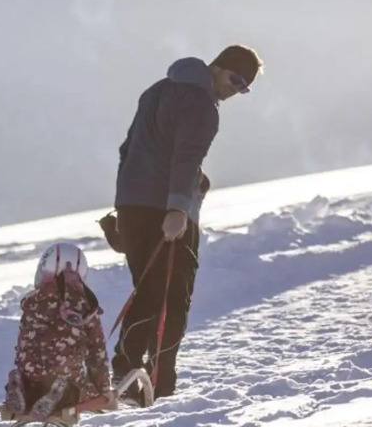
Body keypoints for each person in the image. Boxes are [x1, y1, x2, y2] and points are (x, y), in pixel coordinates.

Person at [109, 44, 263, 401]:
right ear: (218, 67)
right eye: (235, 79)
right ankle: (157, 384)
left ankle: (128, 373)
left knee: (147, 291)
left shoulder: (157, 91)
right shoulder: (202, 105)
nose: (235, 90)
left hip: (134, 208)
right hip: (167, 212)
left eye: (244, 87)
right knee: (173, 298)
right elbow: (186, 156)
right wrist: (178, 208)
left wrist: (124, 208)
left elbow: (129, 151)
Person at [2, 243, 113, 425]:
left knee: (35, 382)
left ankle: (20, 385)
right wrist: (104, 388)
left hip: (32, 376)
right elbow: (96, 353)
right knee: (78, 389)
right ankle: (61, 394)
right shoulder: (85, 306)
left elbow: (23, 344)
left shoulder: (32, 302)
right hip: (64, 377)